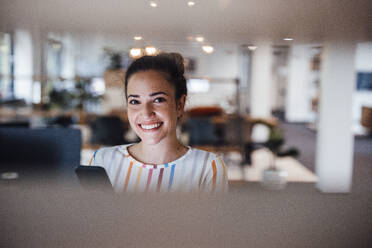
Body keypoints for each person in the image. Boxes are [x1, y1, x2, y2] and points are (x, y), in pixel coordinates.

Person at [89, 53, 228, 193]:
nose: (146, 112)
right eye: (135, 101)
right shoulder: (102, 161)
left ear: (180, 105)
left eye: (158, 100)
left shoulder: (208, 167)